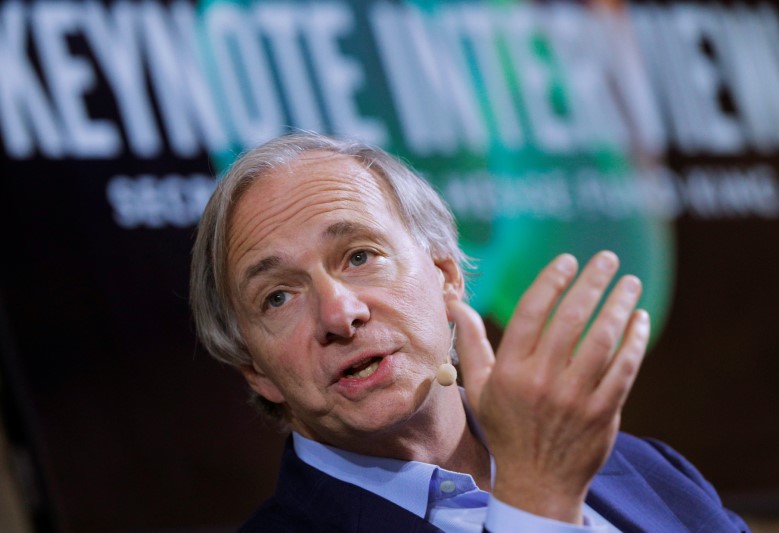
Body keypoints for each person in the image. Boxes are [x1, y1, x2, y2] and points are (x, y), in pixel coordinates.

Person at [190, 132, 749, 532]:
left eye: (360, 255)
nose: (340, 314)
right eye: (278, 297)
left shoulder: (643, 466)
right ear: (256, 370)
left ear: (447, 276)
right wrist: (537, 503)